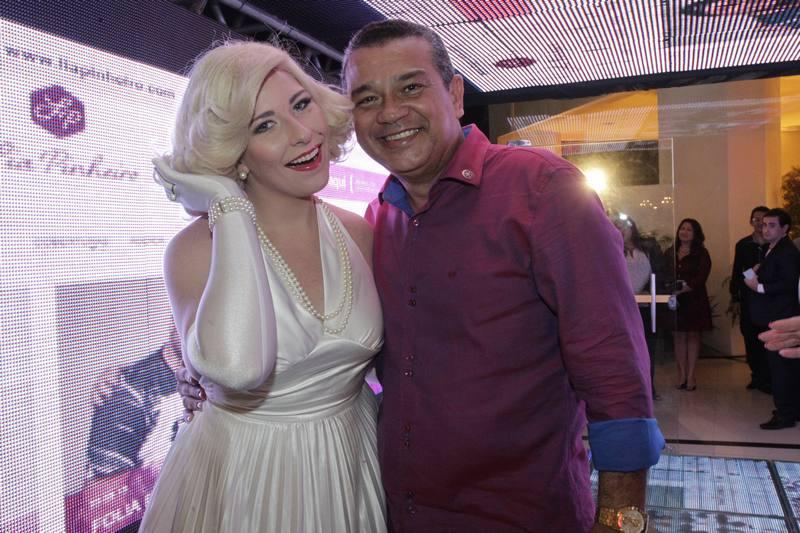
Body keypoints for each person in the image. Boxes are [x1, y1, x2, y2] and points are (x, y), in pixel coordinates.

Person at [179, 20, 663, 532]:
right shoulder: (377, 223)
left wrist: (620, 519)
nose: (390, 112)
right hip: (391, 510)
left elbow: (616, 370)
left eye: (411, 88)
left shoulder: (543, 192)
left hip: (520, 516)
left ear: (455, 95)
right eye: (368, 99)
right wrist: (210, 379)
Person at [140, 40, 386, 532]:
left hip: (351, 461)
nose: (302, 134)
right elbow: (237, 368)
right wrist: (225, 202)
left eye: (301, 104)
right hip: (246, 477)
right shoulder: (196, 250)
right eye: (264, 125)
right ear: (234, 149)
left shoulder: (358, 231)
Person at [745, 208, 800, 430]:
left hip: (782, 317)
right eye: (764, 225)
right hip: (775, 315)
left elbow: (788, 284)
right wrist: (753, 275)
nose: (765, 229)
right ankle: (791, 410)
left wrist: (758, 287)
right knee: (783, 368)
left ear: (785, 228)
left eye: (771, 225)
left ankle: (785, 414)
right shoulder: (773, 248)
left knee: (782, 369)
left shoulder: (786, 252)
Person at [612, 215, 664, 400]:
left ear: (632, 227)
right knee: (624, 349)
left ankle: (648, 387)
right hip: (622, 306)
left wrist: (651, 291)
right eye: (616, 226)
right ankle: (627, 389)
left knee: (647, 348)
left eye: (624, 226)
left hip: (645, 305)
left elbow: (658, 273)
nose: (621, 229)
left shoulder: (647, 249)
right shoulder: (613, 248)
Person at [664, 218, 713, 391]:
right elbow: (663, 274)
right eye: (682, 228)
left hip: (694, 299)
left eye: (689, 229)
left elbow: (701, 277)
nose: (684, 232)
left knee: (693, 336)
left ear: (695, 234)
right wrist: (672, 288)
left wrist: (684, 288)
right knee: (678, 336)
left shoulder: (702, 253)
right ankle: (682, 375)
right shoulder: (670, 252)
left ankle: (691, 375)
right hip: (675, 300)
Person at [729, 206, 769, 392]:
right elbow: (738, 272)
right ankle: (756, 375)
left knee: (767, 337)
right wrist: (735, 297)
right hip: (748, 298)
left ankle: (769, 377)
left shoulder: (774, 244)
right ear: (750, 221)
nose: (759, 223)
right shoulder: (743, 245)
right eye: (756, 219)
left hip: (769, 298)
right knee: (750, 338)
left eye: (763, 219)